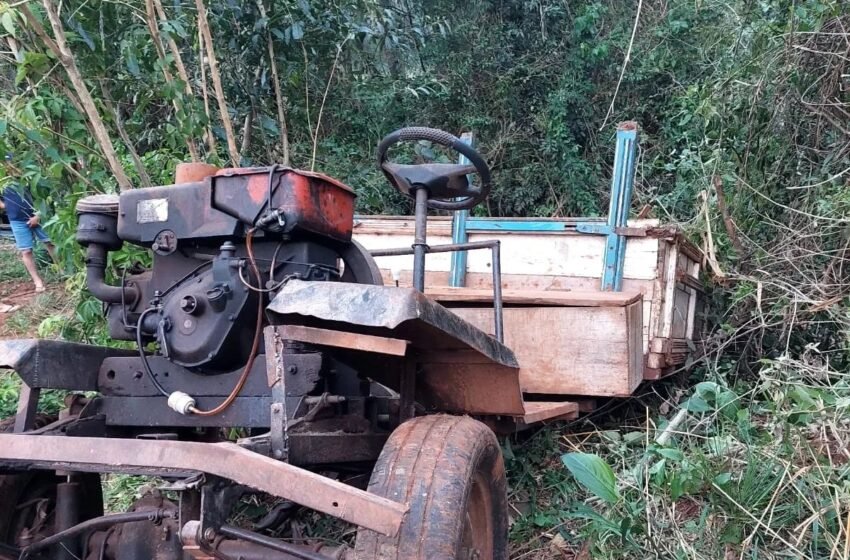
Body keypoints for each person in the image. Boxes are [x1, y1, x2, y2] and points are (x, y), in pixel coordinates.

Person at [0, 155, 57, 292]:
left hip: (38, 216)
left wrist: (37, 215)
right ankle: (37, 281)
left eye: (10, 162)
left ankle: (61, 269)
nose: (9, 166)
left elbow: (45, 197)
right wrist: (6, 206)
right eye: (5, 163)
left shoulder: (29, 178)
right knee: (26, 251)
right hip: (17, 221)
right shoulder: (3, 182)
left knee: (50, 242)